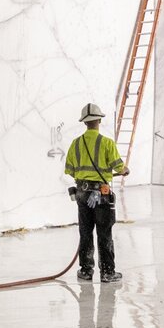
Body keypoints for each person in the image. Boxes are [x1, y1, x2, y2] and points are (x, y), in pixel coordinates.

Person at [63, 102, 128, 283]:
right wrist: (125, 170)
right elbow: (119, 167)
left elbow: (69, 170)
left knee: (85, 232)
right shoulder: (107, 143)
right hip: (101, 194)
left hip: (82, 194)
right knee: (104, 232)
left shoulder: (75, 144)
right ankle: (107, 272)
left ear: (84, 122)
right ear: (99, 120)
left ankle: (86, 271)